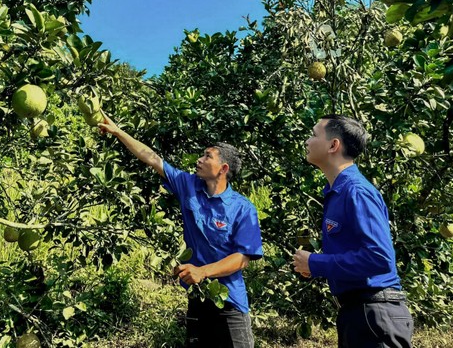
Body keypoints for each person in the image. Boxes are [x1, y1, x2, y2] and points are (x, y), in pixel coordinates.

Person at [98, 113, 263, 348]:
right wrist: (117, 132)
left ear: (223, 168)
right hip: (198, 298)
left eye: (208, 156)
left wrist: (203, 271)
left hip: (230, 304)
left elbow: (242, 259)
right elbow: (152, 158)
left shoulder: (243, 208)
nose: (199, 160)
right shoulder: (188, 186)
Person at [293, 114, 413, 348]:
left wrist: (316, 264)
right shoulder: (336, 192)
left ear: (333, 145)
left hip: (375, 315)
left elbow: (379, 258)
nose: (307, 141)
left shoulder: (356, 191)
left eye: (314, 134)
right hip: (358, 315)